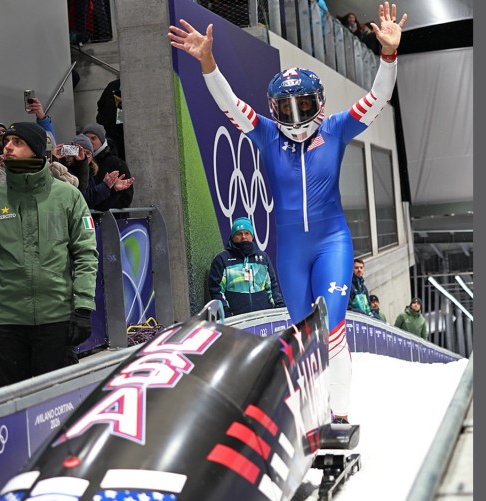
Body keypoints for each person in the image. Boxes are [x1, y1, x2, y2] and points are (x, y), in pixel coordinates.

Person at [169, 1, 407, 424]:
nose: (295, 116)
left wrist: (388, 55)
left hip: (331, 244)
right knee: (302, 337)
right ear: (273, 108)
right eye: (285, 108)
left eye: (303, 105)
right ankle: (309, 410)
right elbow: (229, 104)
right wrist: (207, 63)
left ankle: (339, 416)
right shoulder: (264, 132)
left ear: (319, 103)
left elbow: (378, 98)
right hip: (292, 254)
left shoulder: (335, 127)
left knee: (333, 330)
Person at [0, 122, 99, 390]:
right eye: (6, 140)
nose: (8, 146)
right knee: (8, 407)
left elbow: (86, 254)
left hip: (57, 318)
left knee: (60, 405)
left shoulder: (68, 197)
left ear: (37, 149)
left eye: (18, 141)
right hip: (7, 322)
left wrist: (83, 308)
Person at [207, 216, 285, 317]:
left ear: (252, 236)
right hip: (235, 321)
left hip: (263, 319)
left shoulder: (263, 258)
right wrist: (226, 315)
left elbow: (272, 287)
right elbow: (216, 291)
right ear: (232, 236)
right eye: (239, 234)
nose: (243, 237)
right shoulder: (222, 259)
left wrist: (280, 309)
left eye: (247, 233)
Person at [56, 133, 133, 210]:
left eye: (88, 153)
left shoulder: (91, 172)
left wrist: (113, 189)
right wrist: (105, 186)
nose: (84, 156)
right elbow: (83, 200)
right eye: (80, 152)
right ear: (71, 153)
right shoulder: (64, 171)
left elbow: (98, 206)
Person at [81, 122, 134, 210]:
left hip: (109, 218)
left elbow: (125, 198)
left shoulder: (116, 163)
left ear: (102, 140)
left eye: (93, 138)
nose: (89, 141)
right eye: (86, 138)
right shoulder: (79, 163)